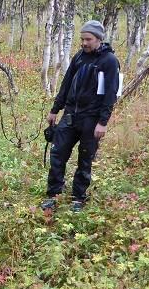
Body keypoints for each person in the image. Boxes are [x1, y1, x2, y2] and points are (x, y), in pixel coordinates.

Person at [41, 20, 120, 212]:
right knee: (57, 154)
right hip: (70, 116)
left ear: (99, 39)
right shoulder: (79, 57)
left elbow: (111, 94)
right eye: (82, 39)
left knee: (85, 159)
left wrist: (102, 122)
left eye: (88, 39)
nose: (84, 43)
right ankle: (53, 194)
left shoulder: (109, 61)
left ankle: (78, 198)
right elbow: (66, 84)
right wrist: (55, 110)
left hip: (91, 119)